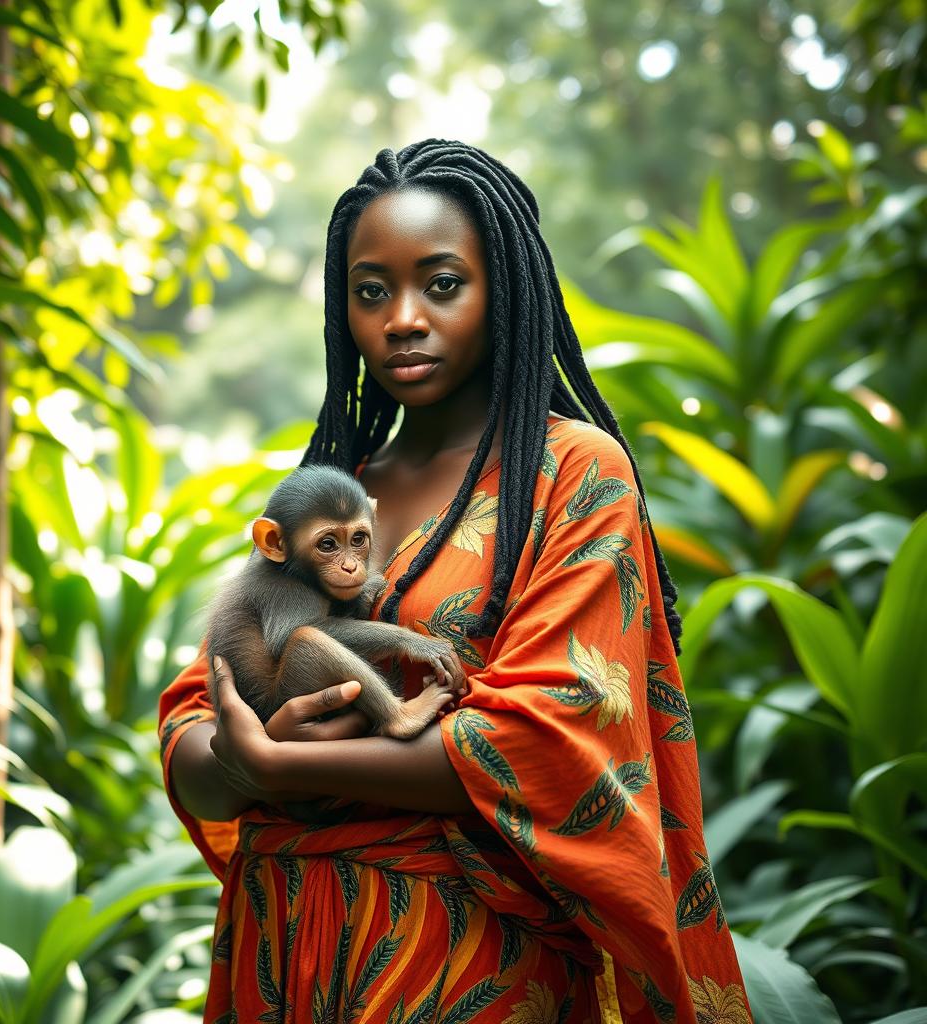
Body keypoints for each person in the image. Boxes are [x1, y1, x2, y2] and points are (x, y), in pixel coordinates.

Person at [159, 140, 752, 1024]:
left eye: (441, 284)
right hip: (278, 945)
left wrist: (277, 763)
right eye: (371, 291)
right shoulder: (334, 491)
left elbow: (550, 736)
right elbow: (197, 719)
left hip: (461, 957)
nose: (402, 319)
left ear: (502, 289)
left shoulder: (571, 473)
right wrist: (238, 759)